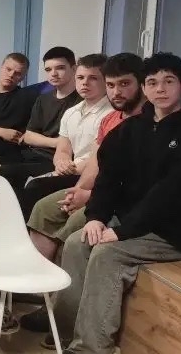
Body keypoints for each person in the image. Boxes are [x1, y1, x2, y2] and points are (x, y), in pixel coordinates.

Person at [52, 53, 181, 354]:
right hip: (133, 221)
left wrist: (121, 231)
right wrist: (97, 218)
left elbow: (173, 191)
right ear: (144, 88)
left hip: (174, 230)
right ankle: (62, 329)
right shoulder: (131, 129)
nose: (160, 89)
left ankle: (93, 346)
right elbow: (108, 178)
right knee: (77, 242)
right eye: (152, 82)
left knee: (106, 254)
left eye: (169, 81)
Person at [23, 53, 147, 266]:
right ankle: (35, 274)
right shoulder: (110, 119)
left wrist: (88, 196)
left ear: (141, 84)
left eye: (124, 84)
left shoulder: (146, 123)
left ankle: (56, 279)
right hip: (93, 187)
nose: (116, 92)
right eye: (111, 85)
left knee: (73, 226)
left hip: (116, 201)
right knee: (43, 209)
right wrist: (78, 191)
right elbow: (95, 163)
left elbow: (131, 181)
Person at [12, 53, 112, 217]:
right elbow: (63, 149)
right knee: (22, 182)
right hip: (71, 169)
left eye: (93, 78)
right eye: (80, 77)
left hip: (91, 174)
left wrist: (69, 169)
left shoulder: (111, 114)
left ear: (106, 81)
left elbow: (99, 158)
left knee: (35, 186)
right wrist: (61, 162)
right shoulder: (71, 112)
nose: (85, 83)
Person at [0, 47, 79, 193]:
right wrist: (56, 142)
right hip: (31, 153)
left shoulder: (81, 101)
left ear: (74, 69)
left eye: (60, 68)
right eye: (48, 69)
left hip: (55, 159)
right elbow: (29, 136)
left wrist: (59, 144)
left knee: (10, 173)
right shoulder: (43, 99)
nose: (53, 73)